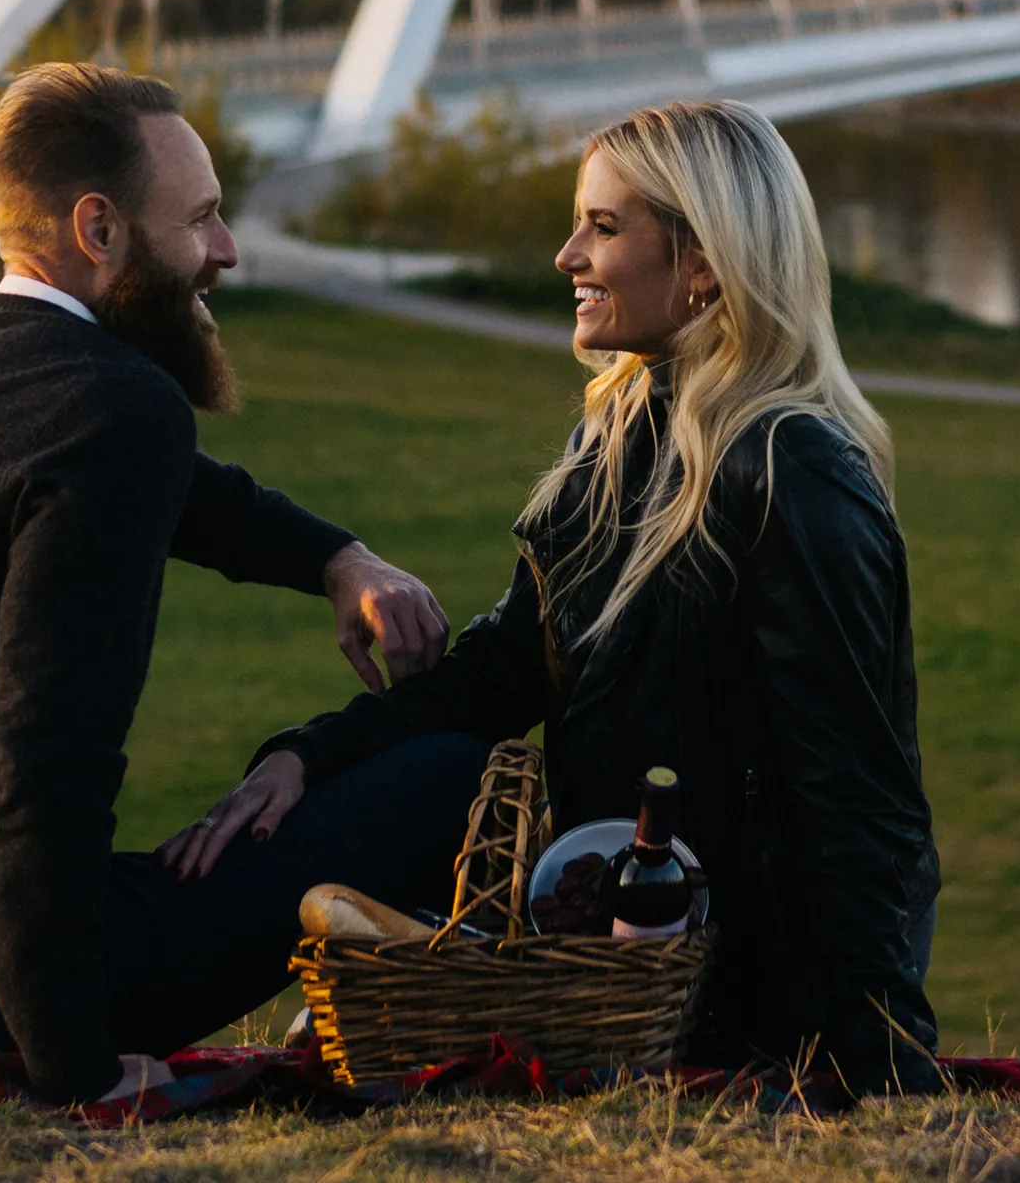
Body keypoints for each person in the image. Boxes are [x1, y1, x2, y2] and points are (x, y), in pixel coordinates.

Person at [164, 99, 940, 1093]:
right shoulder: (609, 441)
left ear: (704, 261)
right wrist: (308, 757)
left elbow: (857, 796)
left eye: (604, 227)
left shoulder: (791, 467)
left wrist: (882, 1058)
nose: (568, 254)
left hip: (742, 995)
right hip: (613, 970)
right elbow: (499, 673)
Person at [0, 62, 451, 1107]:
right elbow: (42, 755)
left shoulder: (9, 376)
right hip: (8, 980)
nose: (228, 250)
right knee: (442, 774)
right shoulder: (117, 408)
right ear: (98, 230)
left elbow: (193, 495)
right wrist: (74, 1063)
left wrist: (337, 557)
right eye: (200, 219)